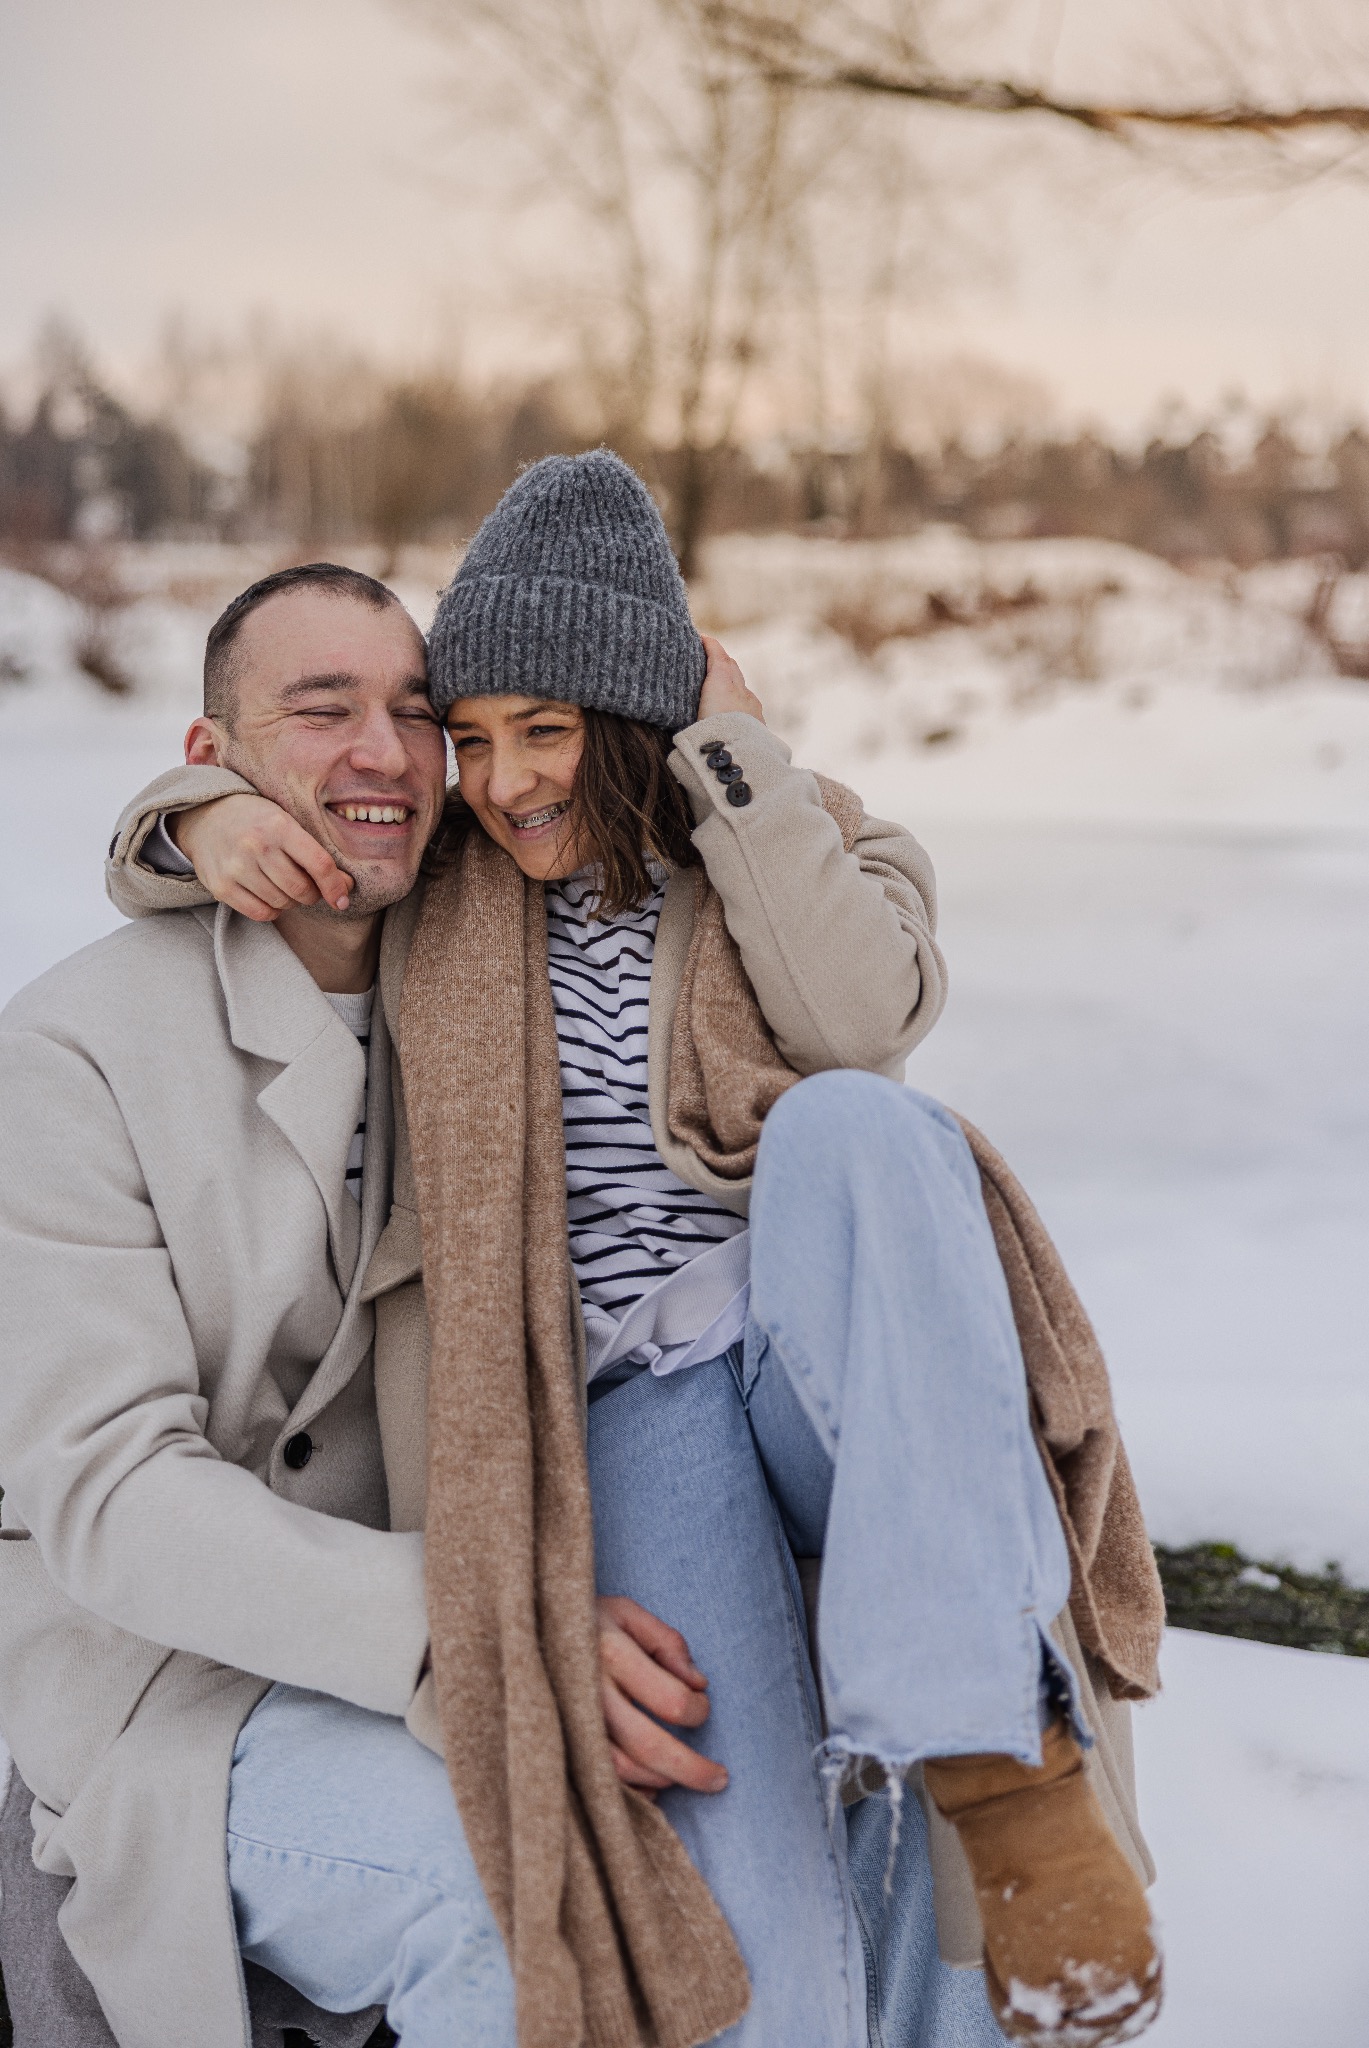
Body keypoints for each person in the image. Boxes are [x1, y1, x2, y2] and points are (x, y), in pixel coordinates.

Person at [97, 453, 1166, 2047]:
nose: (507, 778)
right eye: (475, 737)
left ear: (633, 719)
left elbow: (859, 1018)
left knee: (860, 1129)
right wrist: (194, 818)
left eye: (549, 730)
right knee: (737, 1930)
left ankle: (1003, 1770)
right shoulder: (440, 886)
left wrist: (735, 763)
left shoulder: (799, 833)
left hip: (804, 1353)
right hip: (618, 1402)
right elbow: (249, 835)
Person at [0, 562, 718, 2048]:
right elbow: (109, 1492)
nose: (384, 755)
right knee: (521, 1902)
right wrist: (475, 1624)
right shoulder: (70, 1052)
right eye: (319, 711)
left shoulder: (489, 978)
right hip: (175, 1689)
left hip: (476, 1611)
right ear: (214, 761)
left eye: (412, 713)